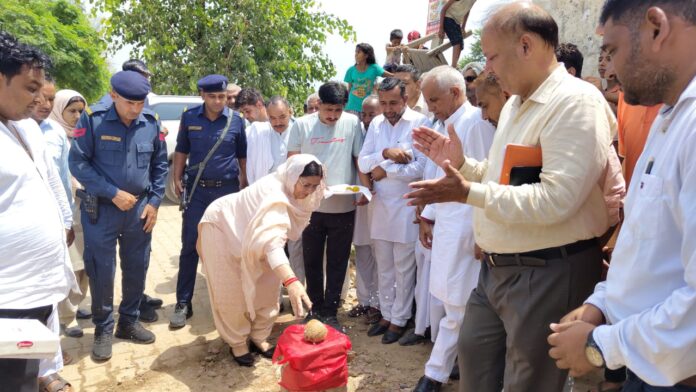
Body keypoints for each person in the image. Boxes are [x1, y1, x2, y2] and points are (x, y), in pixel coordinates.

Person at [406, 3, 614, 391]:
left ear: (525, 45)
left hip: (548, 268)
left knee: (529, 381)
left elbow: (556, 199)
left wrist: (467, 191)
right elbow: (505, 178)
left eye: (491, 57)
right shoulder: (518, 102)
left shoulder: (574, 103)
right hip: (497, 270)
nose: (488, 70)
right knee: (474, 361)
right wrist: (463, 165)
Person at [548, 1, 696, 390]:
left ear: (656, 28)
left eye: (612, 50)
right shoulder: (670, 118)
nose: (609, 69)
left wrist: (600, 346)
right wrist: (602, 305)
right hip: (649, 364)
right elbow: (648, 250)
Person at [69, 70, 168, 361]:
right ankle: (103, 328)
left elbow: (160, 165)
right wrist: (112, 192)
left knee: (137, 266)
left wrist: (154, 202)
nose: (135, 109)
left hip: (139, 210)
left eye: (140, 103)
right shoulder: (93, 119)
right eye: (129, 103)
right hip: (102, 208)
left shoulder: (151, 122)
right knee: (101, 270)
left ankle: (128, 321)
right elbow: (78, 163)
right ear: (113, 96)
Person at [0, 31, 76, 391]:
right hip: (7, 298)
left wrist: (63, 223)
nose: (38, 100)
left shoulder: (24, 128)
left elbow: (50, 183)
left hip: (37, 289)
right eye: (31, 88)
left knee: (25, 378)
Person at [413, 65, 495, 392]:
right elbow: (441, 176)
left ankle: (434, 374)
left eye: (434, 99)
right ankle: (449, 366)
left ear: (456, 93)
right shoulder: (448, 123)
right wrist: (428, 216)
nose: (430, 106)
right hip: (448, 223)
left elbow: (489, 180)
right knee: (451, 300)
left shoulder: (476, 123)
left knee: (460, 306)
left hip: (469, 225)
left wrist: (483, 233)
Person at [197, 154, 321, 366]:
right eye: (306, 185)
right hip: (222, 228)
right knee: (231, 291)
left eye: (314, 186)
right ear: (293, 177)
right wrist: (291, 281)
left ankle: (259, 336)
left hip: (257, 237)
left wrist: (284, 278)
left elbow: (271, 241)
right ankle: (237, 342)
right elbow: (272, 244)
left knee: (267, 285)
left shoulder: (293, 187)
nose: (309, 191)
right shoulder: (273, 194)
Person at [287, 81, 367, 332]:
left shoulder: (353, 124)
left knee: (338, 260)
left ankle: (331, 311)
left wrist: (365, 189)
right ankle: (315, 307)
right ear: (318, 105)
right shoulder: (301, 125)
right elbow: (292, 163)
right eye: (328, 110)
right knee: (311, 259)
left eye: (337, 111)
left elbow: (358, 158)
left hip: (343, 205)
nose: (332, 116)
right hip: (310, 207)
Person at [170, 74, 247, 329]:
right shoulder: (190, 117)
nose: (218, 101)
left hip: (226, 192)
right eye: (212, 96)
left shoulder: (236, 120)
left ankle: (230, 301)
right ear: (202, 95)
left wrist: (244, 183)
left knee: (229, 246)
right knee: (190, 245)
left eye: (222, 97)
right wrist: (177, 177)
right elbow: (181, 149)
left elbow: (242, 156)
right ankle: (183, 302)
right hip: (197, 192)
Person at [358, 77, 428, 344]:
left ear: (406, 100)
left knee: (404, 266)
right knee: (384, 265)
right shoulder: (376, 124)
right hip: (381, 206)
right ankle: (386, 314)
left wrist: (383, 170)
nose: (388, 108)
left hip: (406, 204)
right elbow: (364, 162)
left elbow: (420, 167)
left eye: (393, 103)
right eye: (384, 102)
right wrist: (387, 153)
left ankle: (399, 319)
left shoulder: (420, 123)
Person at [348, 94, 382, 322]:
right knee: (362, 251)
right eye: (364, 113)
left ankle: (378, 304)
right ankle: (364, 300)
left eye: (372, 113)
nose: (367, 118)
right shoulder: (357, 132)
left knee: (380, 254)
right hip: (359, 200)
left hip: (381, 202)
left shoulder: (384, 133)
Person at [246, 96, 294, 185]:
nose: (278, 122)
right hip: (265, 188)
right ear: (268, 116)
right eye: (273, 118)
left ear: (290, 113)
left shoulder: (298, 133)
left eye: (282, 117)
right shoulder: (259, 133)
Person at [344, 43, 393, 114]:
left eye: (358, 52)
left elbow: (391, 76)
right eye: (355, 52)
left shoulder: (374, 68)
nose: (356, 54)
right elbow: (349, 89)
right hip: (351, 107)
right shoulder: (351, 70)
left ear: (366, 55)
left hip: (367, 109)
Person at [439, 0, 476, 67]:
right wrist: (441, 28)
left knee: (461, 45)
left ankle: (454, 64)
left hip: (456, 22)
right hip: (447, 17)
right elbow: (443, 10)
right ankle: (453, 65)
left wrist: (463, 27)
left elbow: (467, 11)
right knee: (457, 40)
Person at [585, 48, 621, 114]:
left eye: (609, 59)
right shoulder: (604, 90)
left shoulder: (625, 93)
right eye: (600, 60)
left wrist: (601, 93)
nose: (601, 63)